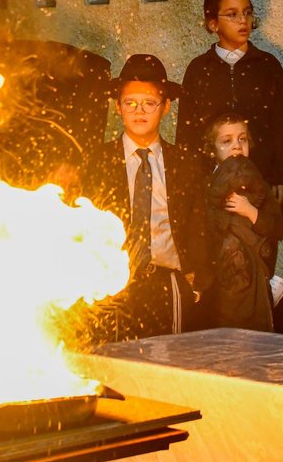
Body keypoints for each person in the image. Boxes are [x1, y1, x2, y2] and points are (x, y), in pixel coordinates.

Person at [81, 54, 209, 341]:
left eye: (149, 103)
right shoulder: (98, 161)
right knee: (116, 366)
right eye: (130, 103)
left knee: (170, 368)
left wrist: (198, 280)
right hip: (114, 284)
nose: (139, 111)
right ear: (118, 107)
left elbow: (198, 223)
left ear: (165, 107)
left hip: (170, 282)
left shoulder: (185, 162)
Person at [176, 0, 283, 238]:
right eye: (232, 14)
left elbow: (282, 125)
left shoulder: (267, 66)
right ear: (213, 24)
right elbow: (187, 131)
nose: (242, 20)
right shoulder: (199, 69)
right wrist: (191, 181)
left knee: (258, 254)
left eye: (247, 12)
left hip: (260, 182)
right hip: (211, 186)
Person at [204, 113, 282, 331]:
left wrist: (251, 211)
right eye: (227, 141)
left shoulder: (259, 183)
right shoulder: (206, 184)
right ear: (213, 149)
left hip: (254, 280)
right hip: (221, 280)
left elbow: (277, 228)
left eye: (242, 139)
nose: (236, 146)